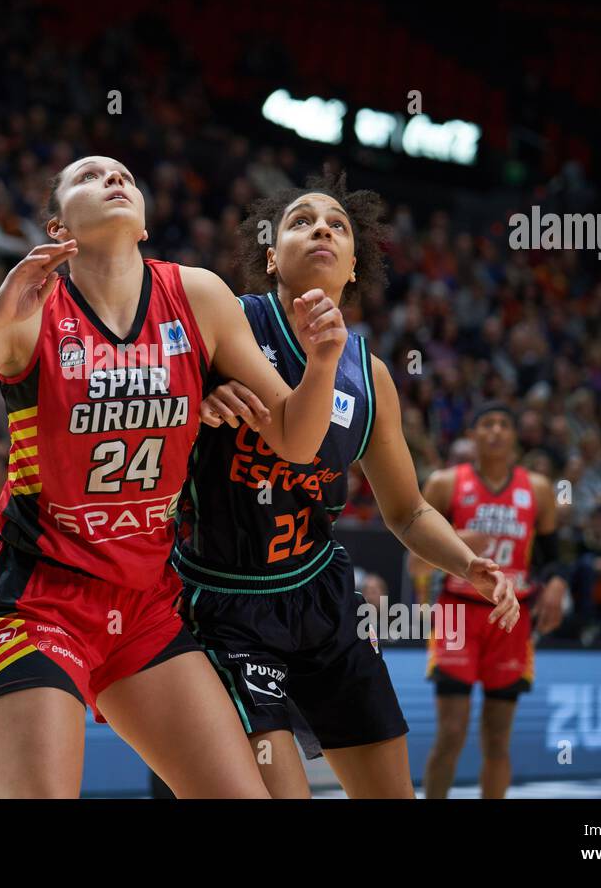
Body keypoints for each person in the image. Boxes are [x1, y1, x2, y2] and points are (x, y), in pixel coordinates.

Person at [0, 156, 348, 798]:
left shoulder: (197, 297)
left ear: (145, 222)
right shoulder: (32, 313)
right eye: (89, 177)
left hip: (145, 600)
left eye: (124, 175)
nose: (114, 180)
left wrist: (320, 365)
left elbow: (294, 439)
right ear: (57, 226)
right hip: (39, 599)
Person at [175, 174, 519, 798]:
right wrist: (198, 395)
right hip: (225, 603)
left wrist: (470, 563)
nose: (322, 229)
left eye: (337, 224)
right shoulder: (228, 324)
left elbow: (409, 512)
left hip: (323, 598)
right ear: (271, 256)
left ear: (355, 264)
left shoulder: (372, 375)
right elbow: (155, 401)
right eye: (301, 221)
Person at [412, 402, 567, 799]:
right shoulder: (445, 483)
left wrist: (557, 584)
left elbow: (553, 557)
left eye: (503, 425)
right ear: (472, 434)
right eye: (486, 424)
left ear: (515, 437)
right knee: (451, 732)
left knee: (497, 739)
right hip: (457, 614)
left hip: (512, 615)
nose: (495, 431)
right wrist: (458, 541)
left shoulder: (539, 489)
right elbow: (415, 561)